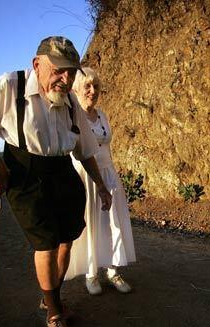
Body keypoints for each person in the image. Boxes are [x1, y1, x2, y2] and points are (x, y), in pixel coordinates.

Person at [0, 36, 112, 327]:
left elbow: (85, 151)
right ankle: (54, 314)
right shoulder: (9, 86)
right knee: (45, 244)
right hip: (25, 174)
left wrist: (101, 185)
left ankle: (50, 300)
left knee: (65, 242)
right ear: (37, 64)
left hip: (63, 173)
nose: (66, 79)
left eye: (71, 72)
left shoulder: (71, 102)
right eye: (59, 71)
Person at [65, 68, 136, 295]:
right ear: (75, 88)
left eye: (95, 86)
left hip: (108, 174)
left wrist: (112, 176)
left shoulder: (102, 115)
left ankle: (113, 270)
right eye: (87, 85)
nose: (92, 91)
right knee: (91, 224)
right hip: (84, 176)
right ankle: (91, 273)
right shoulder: (72, 116)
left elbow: (107, 147)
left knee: (112, 222)